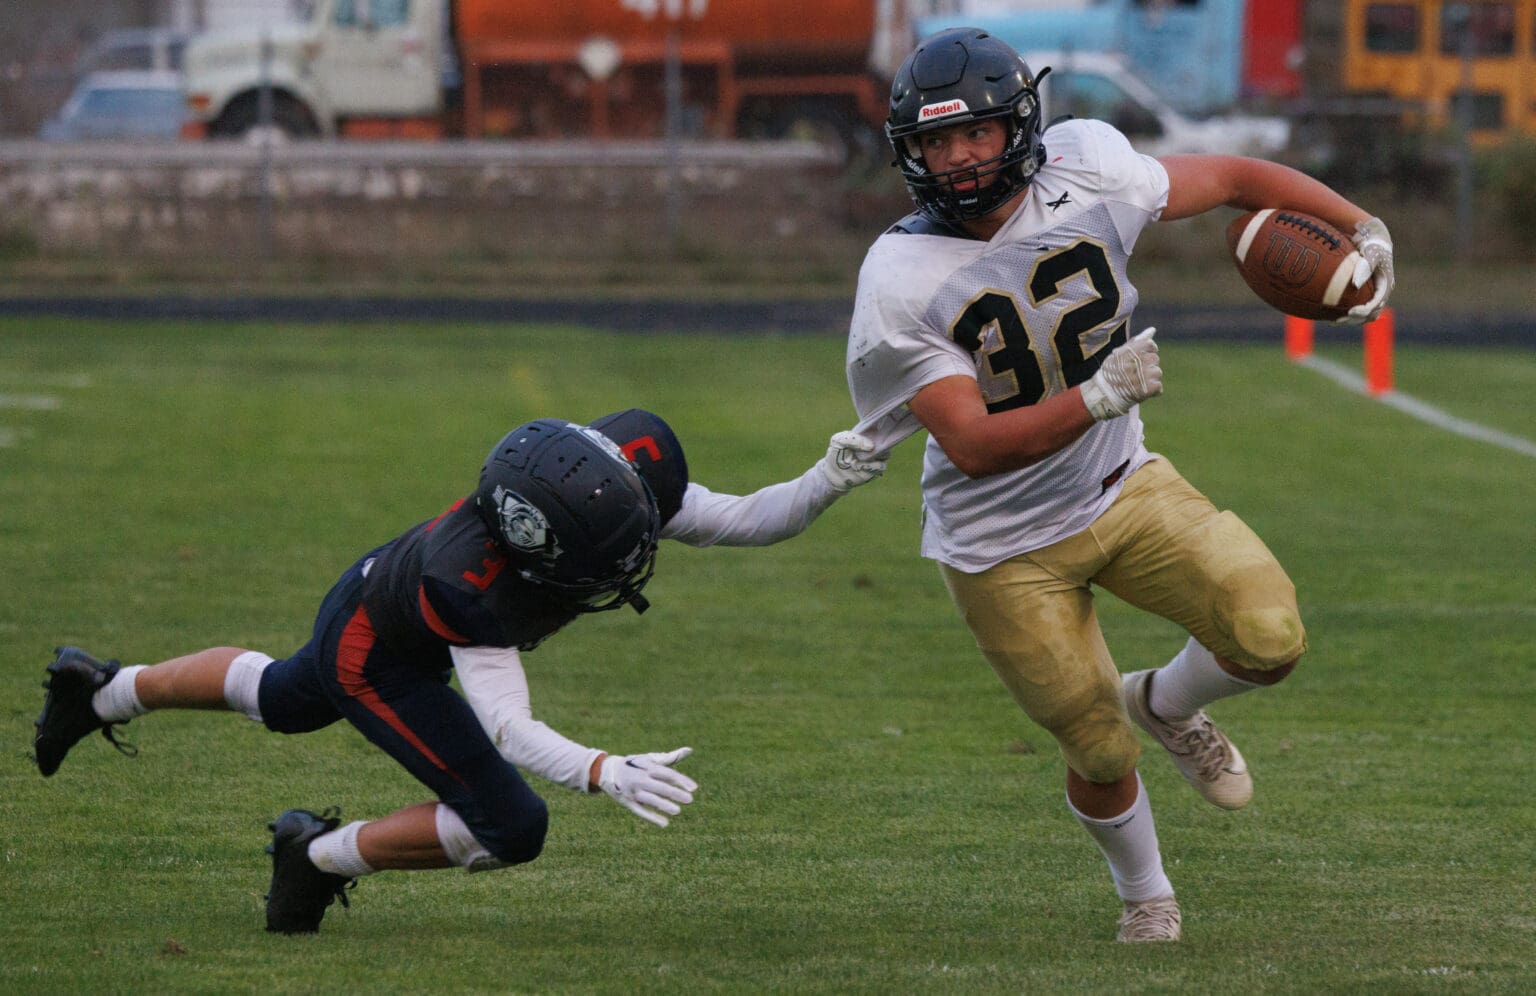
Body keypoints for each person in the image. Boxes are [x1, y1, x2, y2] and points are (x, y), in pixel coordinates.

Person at [843, 27, 1395, 942]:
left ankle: (1167, 703)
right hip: (998, 545)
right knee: (1097, 746)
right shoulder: (898, 276)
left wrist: (1361, 226)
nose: (959, 158)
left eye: (975, 133)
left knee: (1271, 632)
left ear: (1019, 127)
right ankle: (1147, 893)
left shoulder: (1089, 166)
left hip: (1123, 486)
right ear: (911, 152)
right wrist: (1097, 394)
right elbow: (974, 445)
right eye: (937, 142)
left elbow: (1232, 177)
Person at [34, 413, 885, 934]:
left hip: (379, 588)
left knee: (282, 697)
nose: (637, 554)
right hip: (376, 653)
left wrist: (826, 480)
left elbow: (740, 519)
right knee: (512, 825)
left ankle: (101, 686)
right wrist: (600, 770)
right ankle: (316, 855)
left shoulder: (599, 489)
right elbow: (507, 727)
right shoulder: (475, 587)